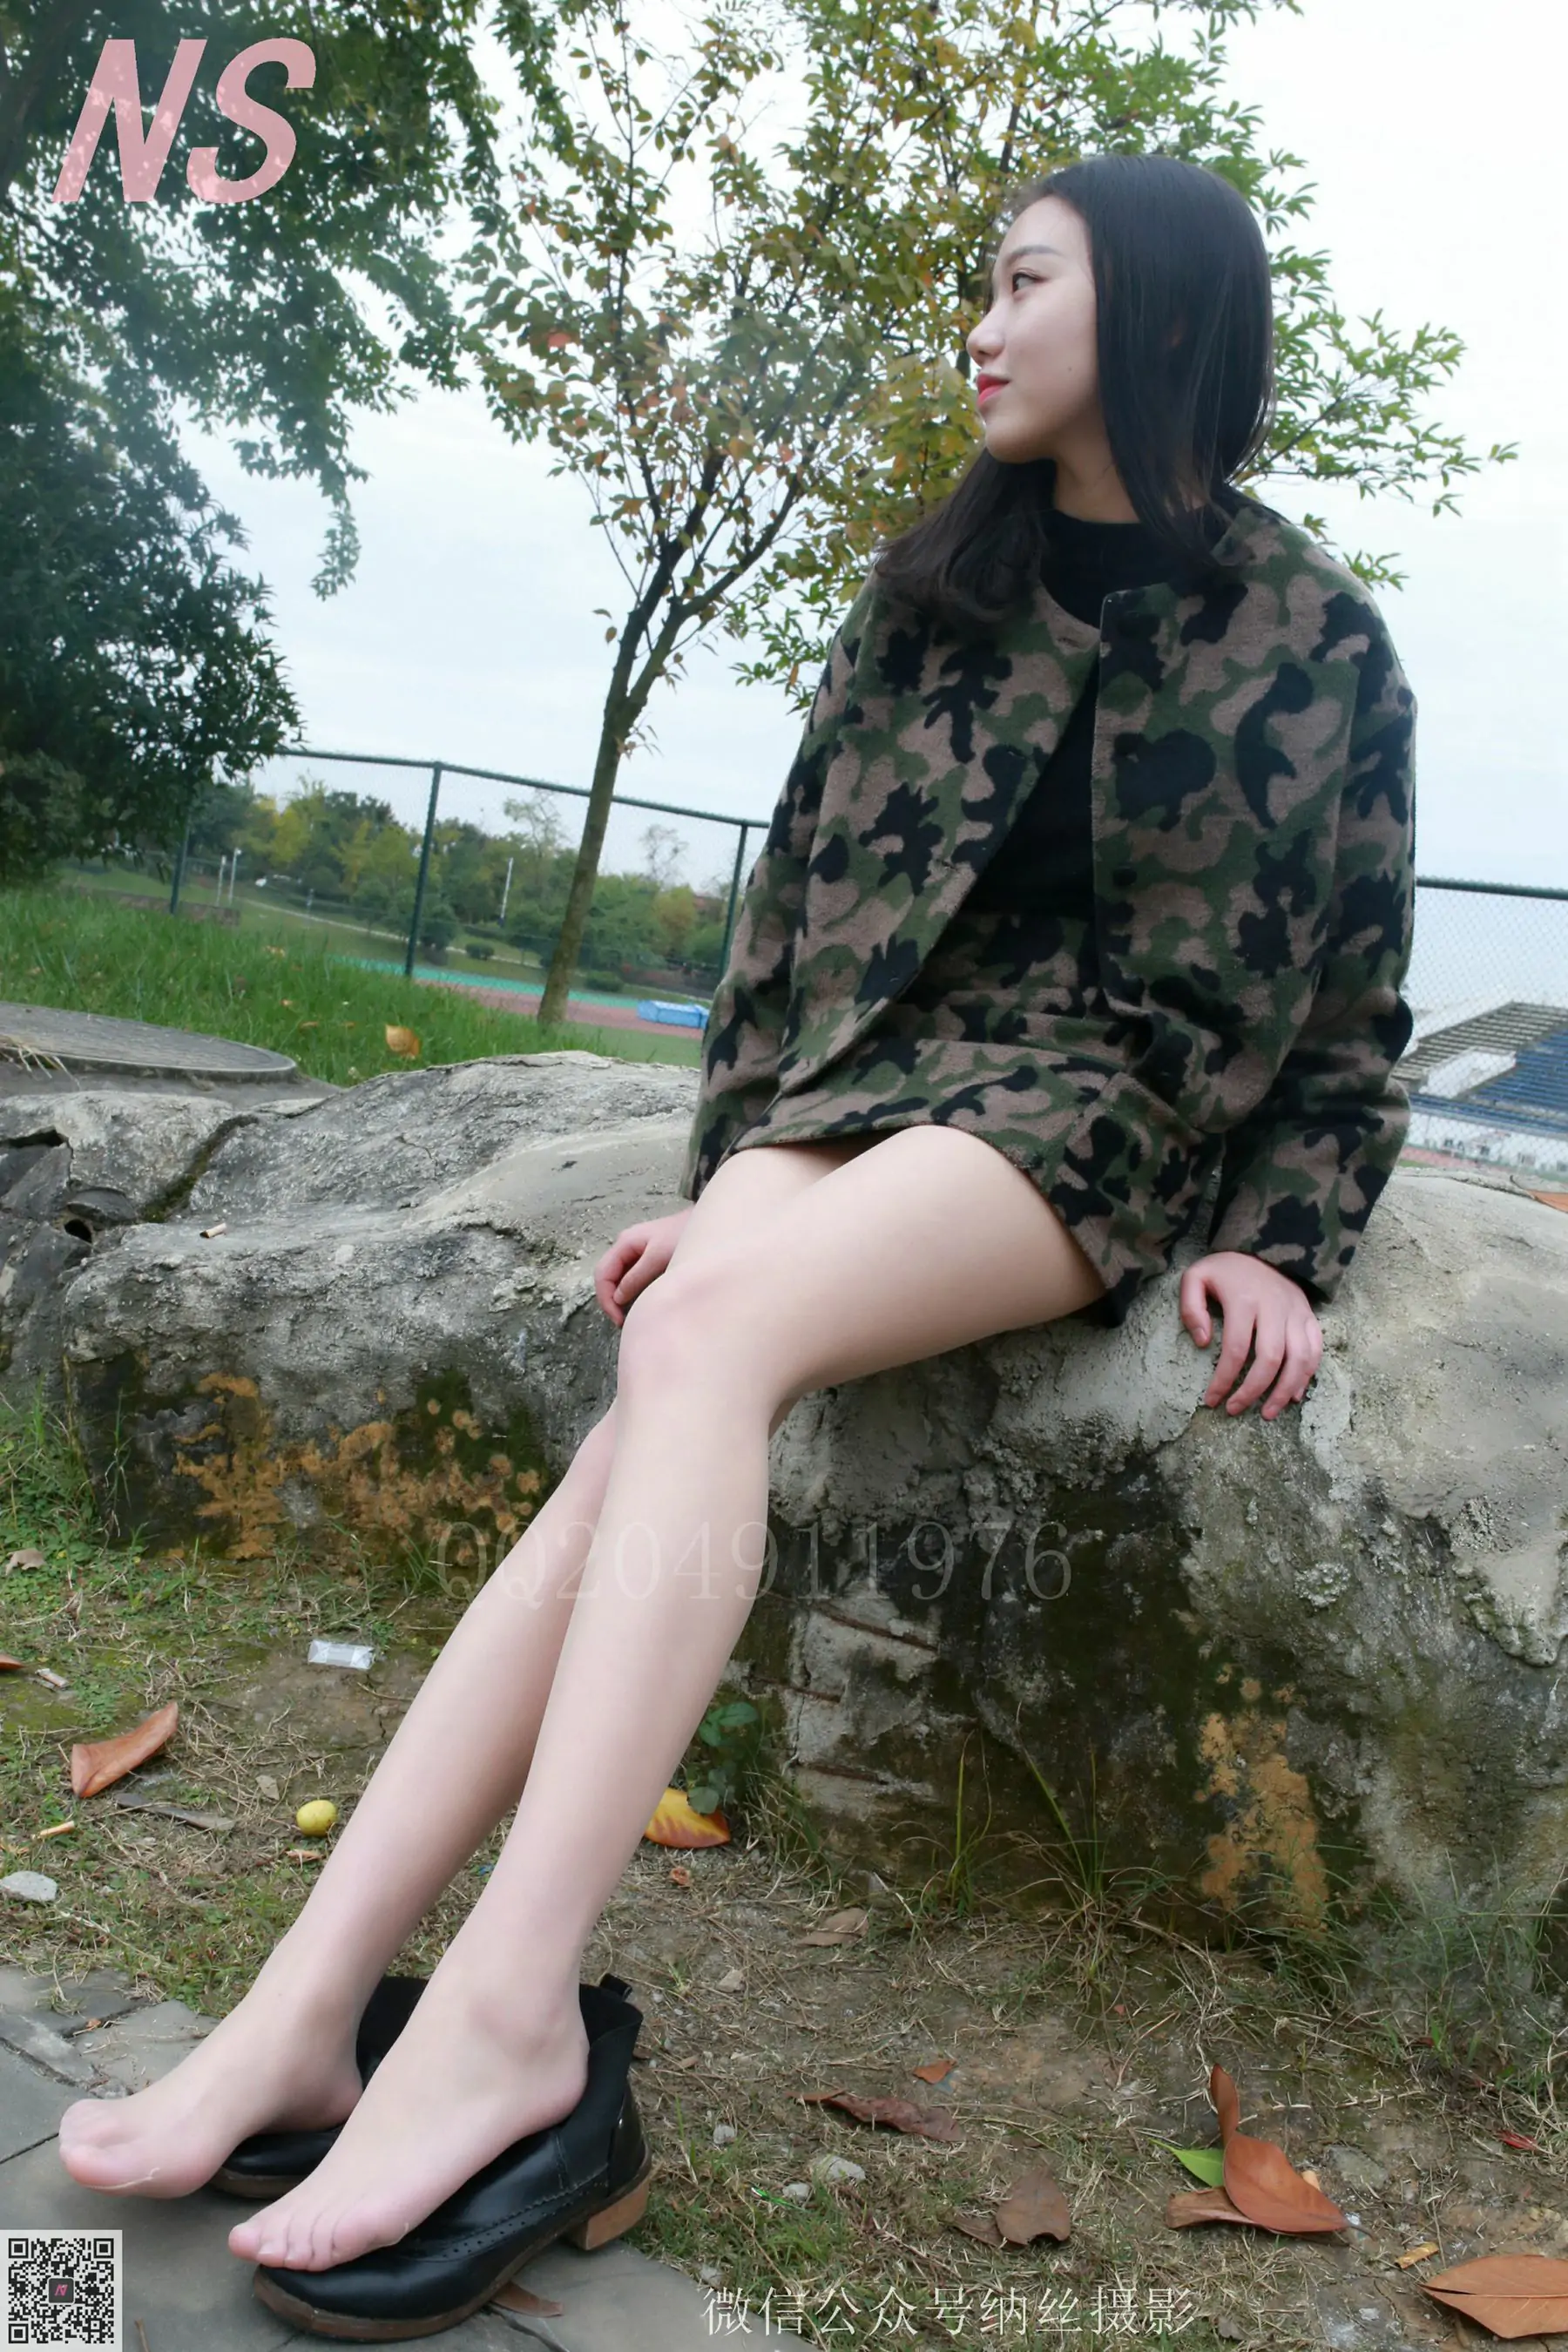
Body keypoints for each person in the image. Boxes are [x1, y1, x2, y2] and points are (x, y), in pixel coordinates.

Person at [55, 152, 1416, 2308]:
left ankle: (506, 2008)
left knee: (698, 1348)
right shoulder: (934, 587)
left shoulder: (1314, 636)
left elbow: (1347, 997)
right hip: (866, 1075)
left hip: (1101, 1108)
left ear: (1159, 313)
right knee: (658, 1377)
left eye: (1024, 282)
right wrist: (722, 1181)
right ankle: (313, 1998)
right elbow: (786, 912)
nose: (980, 325)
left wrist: (1286, 1232)